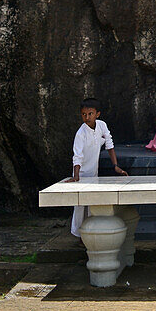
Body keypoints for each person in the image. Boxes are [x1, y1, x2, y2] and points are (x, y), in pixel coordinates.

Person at [69, 99, 127, 238]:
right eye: (84, 114)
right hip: (81, 173)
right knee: (79, 206)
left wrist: (116, 166)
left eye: (90, 114)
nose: (87, 117)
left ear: (97, 114)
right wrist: (76, 176)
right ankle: (77, 235)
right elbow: (77, 156)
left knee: (91, 204)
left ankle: (89, 233)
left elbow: (109, 145)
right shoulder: (80, 133)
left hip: (93, 172)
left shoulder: (102, 126)